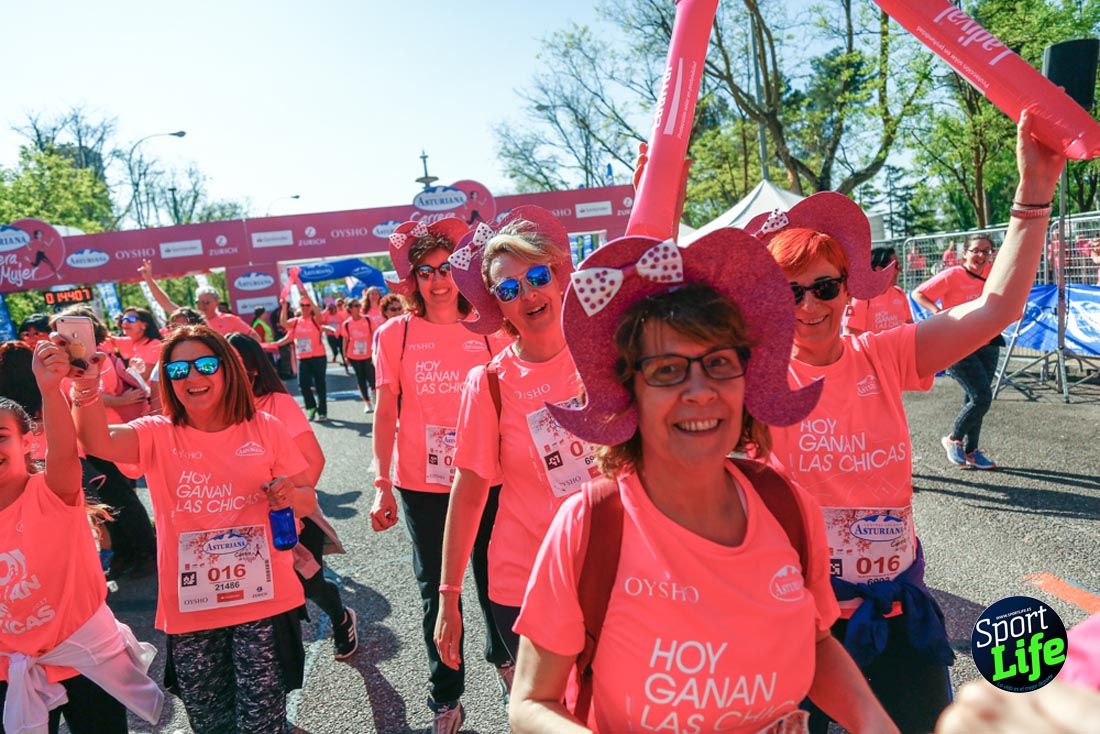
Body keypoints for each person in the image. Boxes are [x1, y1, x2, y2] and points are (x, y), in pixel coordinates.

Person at [748, 110, 1063, 734]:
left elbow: (997, 304)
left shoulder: (883, 354)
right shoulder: (753, 378)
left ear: (847, 289)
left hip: (897, 609)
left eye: (824, 287)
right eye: (789, 292)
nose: (809, 306)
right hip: (800, 618)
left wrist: (1034, 192)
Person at [509, 230, 895, 734]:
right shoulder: (589, 525)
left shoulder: (787, 506)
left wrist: (873, 722)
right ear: (630, 393)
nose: (700, 391)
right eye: (668, 369)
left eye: (718, 363)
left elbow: (818, 640)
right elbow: (530, 702)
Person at [73, 325, 317, 733]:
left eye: (205, 365)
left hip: (264, 600)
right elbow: (96, 440)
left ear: (227, 370)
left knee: (262, 724)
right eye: (179, 369)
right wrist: (86, 383)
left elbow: (308, 499)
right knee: (210, 724)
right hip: (193, 610)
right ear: (167, 379)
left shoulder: (266, 427)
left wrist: (289, 493)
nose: (193, 377)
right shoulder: (157, 433)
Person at [434, 210, 593, 696]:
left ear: (559, 278)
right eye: (508, 289)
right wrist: (449, 598)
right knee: (551, 715)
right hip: (526, 581)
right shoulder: (488, 384)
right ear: (497, 306)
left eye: (537, 277)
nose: (527, 294)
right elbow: (468, 492)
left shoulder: (605, 355)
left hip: (614, 569)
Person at [370, 217, 511, 733]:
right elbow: (386, 413)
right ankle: (446, 695)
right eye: (425, 271)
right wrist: (381, 483)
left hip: (489, 478)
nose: (437, 279)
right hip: (422, 485)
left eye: (446, 267)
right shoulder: (396, 333)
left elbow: (509, 403)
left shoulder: (489, 329)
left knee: (496, 578)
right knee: (436, 590)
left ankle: (507, 664)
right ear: (413, 281)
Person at [0, 339, 163, 734]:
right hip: (11, 671)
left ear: (27, 442)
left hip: (84, 662)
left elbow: (63, 449)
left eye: (1, 435)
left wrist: (50, 389)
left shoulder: (53, 491)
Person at [226, 333, 358, 660]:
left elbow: (314, 461)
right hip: (242, 524)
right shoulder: (216, 412)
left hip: (290, 518)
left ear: (254, 369)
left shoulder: (277, 404)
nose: (224, 374)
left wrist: (290, 501)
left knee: (307, 583)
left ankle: (341, 618)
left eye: (234, 365)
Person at [51, 307, 156, 582]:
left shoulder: (100, 357)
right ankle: (126, 552)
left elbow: (100, 392)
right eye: (59, 330)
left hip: (107, 435)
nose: (64, 336)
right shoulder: (65, 361)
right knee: (106, 502)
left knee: (122, 497)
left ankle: (145, 552)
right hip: (84, 440)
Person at [913, 235, 1003, 470]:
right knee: (982, 397)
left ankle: (971, 450)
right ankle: (953, 439)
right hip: (957, 342)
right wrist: (939, 313)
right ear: (965, 253)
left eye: (986, 251)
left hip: (988, 342)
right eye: (975, 251)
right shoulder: (952, 275)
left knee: (974, 398)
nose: (981, 256)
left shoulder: (993, 272)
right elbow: (918, 293)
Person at [139, 259, 260, 340]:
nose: (202, 306)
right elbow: (166, 303)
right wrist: (149, 279)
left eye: (206, 302)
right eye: (198, 302)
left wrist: (231, 344)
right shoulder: (191, 318)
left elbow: (255, 338)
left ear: (217, 302)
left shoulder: (231, 320)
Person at [273, 297, 330, 421]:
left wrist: (308, 297)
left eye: (307, 305)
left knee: (320, 384)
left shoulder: (315, 320)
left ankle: (322, 411)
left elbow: (319, 314)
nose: (304, 307)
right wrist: (283, 306)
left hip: (318, 357)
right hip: (303, 358)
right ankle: (311, 407)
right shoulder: (296, 322)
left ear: (311, 307)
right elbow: (283, 323)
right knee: (303, 385)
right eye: (302, 305)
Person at [844, 247, 912, 336]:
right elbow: (850, 336)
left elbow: (910, 327)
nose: (900, 270)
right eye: (895, 266)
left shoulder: (899, 293)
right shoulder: (862, 297)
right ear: (880, 269)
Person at [340, 299, 375, 412]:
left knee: (372, 377)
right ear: (350, 308)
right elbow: (345, 340)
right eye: (355, 306)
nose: (358, 307)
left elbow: (375, 335)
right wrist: (345, 356)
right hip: (354, 356)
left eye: (359, 305)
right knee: (360, 379)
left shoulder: (368, 320)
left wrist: (377, 350)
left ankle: (375, 396)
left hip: (369, 354)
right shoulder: (346, 324)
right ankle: (367, 403)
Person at [112, 308, 162, 380]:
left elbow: (141, 379)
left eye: (131, 319)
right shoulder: (129, 345)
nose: (125, 322)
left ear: (144, 325)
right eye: (123, 319)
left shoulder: (154, 345)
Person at [322, 302, 346, 370]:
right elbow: (321, 319)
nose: (332, 310)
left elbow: (344, 322)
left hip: (339, 335)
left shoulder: (339, 314)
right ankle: (335, 354)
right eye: (330, 308)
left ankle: (345, 362)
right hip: (330, 336)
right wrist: (326, 309)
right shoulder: (327, 315)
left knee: (342, 350)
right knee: (334, 349)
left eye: (334, 308)